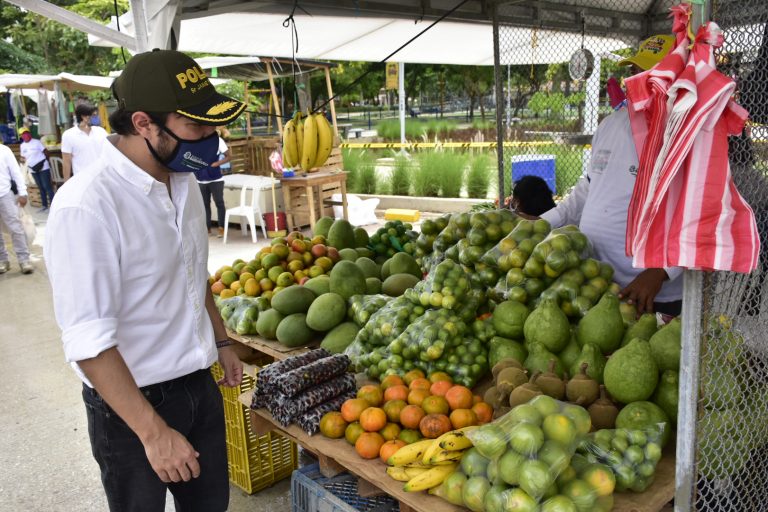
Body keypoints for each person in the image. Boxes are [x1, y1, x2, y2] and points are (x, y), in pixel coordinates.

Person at [44, 49, 247, 511]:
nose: (211, 140)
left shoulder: (184, 181)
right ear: (143, 123)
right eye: (196, 127)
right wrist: (153, 434)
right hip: (131, 408)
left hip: (200, 385)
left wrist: (221, 343)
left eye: (212, 126)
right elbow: (88, 340)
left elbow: (193, 274)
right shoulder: (88, 207)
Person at [539, 35, 683, 317]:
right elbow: (590, 185)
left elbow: (698, 214)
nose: (637, 81)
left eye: (649, 75)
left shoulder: (682, 135)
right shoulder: (611, 124)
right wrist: (544, 223)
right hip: (597, 279)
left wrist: (660, 272)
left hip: (651, 291)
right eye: (634, 72)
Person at [0, 143, 33, 274]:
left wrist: (22, 192)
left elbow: (16, 172)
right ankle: (3, 261)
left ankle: (24, 260)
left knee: (15, 228)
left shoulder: (4, 150)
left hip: (5, 194)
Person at [195, 133, 231, 237]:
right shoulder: (195, 140)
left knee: (219, 203)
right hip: (200, 179)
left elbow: (229, 156)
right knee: (205, 205)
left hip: (216, 179)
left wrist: (217, 164)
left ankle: (221, 228)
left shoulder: (218, 141)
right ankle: (207, 229)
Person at [60, 102, 108, 181]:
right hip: (83, 180)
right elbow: (66, 162)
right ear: (84, 117)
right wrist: (66, 184)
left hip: (103, 178)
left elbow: (110, 151)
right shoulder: (68, 135)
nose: (96, 117)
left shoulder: (101, 131)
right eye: (93, 115)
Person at [18, 127, 55, 211]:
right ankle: (44, 205)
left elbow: (46, 152)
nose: (25, 135)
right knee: (40, 187)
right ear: (21, 136)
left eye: (27, 133)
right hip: (32, 169)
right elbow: (23, 157)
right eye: (23, 134)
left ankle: (53, 205)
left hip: (43, 167)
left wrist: (44, 162)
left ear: (29, 133)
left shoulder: (37, 142)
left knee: (47, 186)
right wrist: (22, 160)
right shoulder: (22, 146)